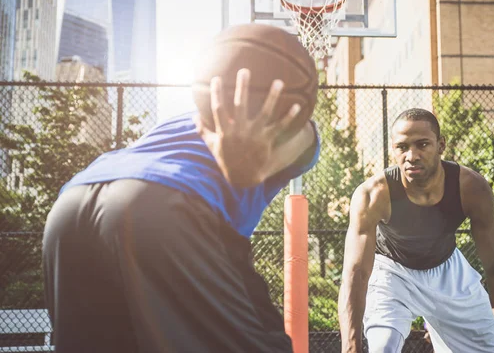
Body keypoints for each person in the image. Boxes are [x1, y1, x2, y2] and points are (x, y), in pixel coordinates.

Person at [42, 68, 320, 353]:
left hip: (71, 205)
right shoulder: (288, 130)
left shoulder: (184, 120)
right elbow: (306, 138)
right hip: (161, 202)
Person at [338, 108, 494, 353]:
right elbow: (355, 273)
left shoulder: (470, 188)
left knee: (493, 348)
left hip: (448, 272)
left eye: (422, 144)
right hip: (392, 272)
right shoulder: (373, 195)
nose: (412, 155)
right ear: (393, 149)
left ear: (440, 145)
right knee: (382, 347)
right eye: (402, 147)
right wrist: (350, 348)